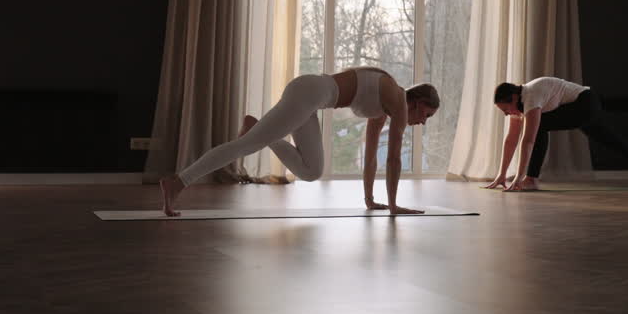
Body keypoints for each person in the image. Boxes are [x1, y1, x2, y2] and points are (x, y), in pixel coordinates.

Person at [159, 67, 439, 216]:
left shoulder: (386, 108)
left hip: (312, 100)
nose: (423, 122)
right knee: (247, 145)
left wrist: (370, 200)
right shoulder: (398, 101)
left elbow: (370, 157)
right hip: (310, 91)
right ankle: (179, 181)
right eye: (426, 115)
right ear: (418, 102)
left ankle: (257, 129)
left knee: (311, 170)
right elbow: (393, 158)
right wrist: (393, 206)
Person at [484, 77, 628, 191]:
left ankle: (531, 179)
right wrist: (501, 175)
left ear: (514, 98)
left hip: (585, 103)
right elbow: (510, 141)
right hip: (581, 108)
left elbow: (528, 141)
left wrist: (518, 177)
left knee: (539, 125)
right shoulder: (520, 106)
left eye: (506, 109)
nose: (507, 114)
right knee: (616, 143)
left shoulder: (531, 96)